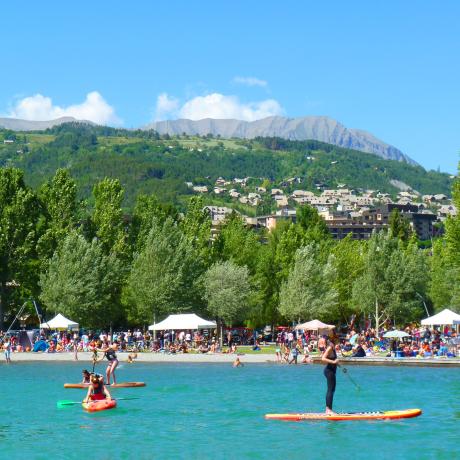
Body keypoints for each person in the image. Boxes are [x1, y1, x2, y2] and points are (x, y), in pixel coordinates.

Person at [321, 336, 339, 415]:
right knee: (330, 390)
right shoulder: (330, 348)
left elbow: (333, 359)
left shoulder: (332, 347)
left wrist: (336, 363)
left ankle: (329, 410)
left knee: (332, 389)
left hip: (331, 371)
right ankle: (328, 410)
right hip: (329, 371)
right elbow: (323, 358)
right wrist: (334, 362)